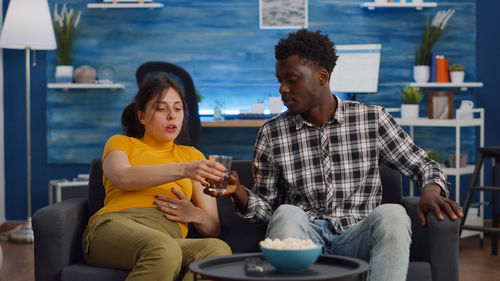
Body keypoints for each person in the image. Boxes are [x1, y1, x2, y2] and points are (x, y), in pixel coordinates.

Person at [208, 29, 463, 281]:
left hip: (359, 235)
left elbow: (424, 165)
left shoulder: (372, 119)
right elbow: (268, 211)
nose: (282, 89)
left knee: (394, 214)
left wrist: (430, 192)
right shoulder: (272, 133)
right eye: (279, 80)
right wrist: (239, 193)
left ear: (322, 76)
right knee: (286, 213)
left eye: (292, 80)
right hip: (303, 239)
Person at [82, 74, 232, 281]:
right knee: (164, 249)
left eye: (178, 109)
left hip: (166, 239)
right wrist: (184, 170)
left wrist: (194, 214)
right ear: (142, 117)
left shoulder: (192, 157)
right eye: (161, 109)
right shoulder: (121, 143)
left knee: (217, 251)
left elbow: (212, 228)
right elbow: (122, 177)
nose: (172, 116)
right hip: (114, 227)